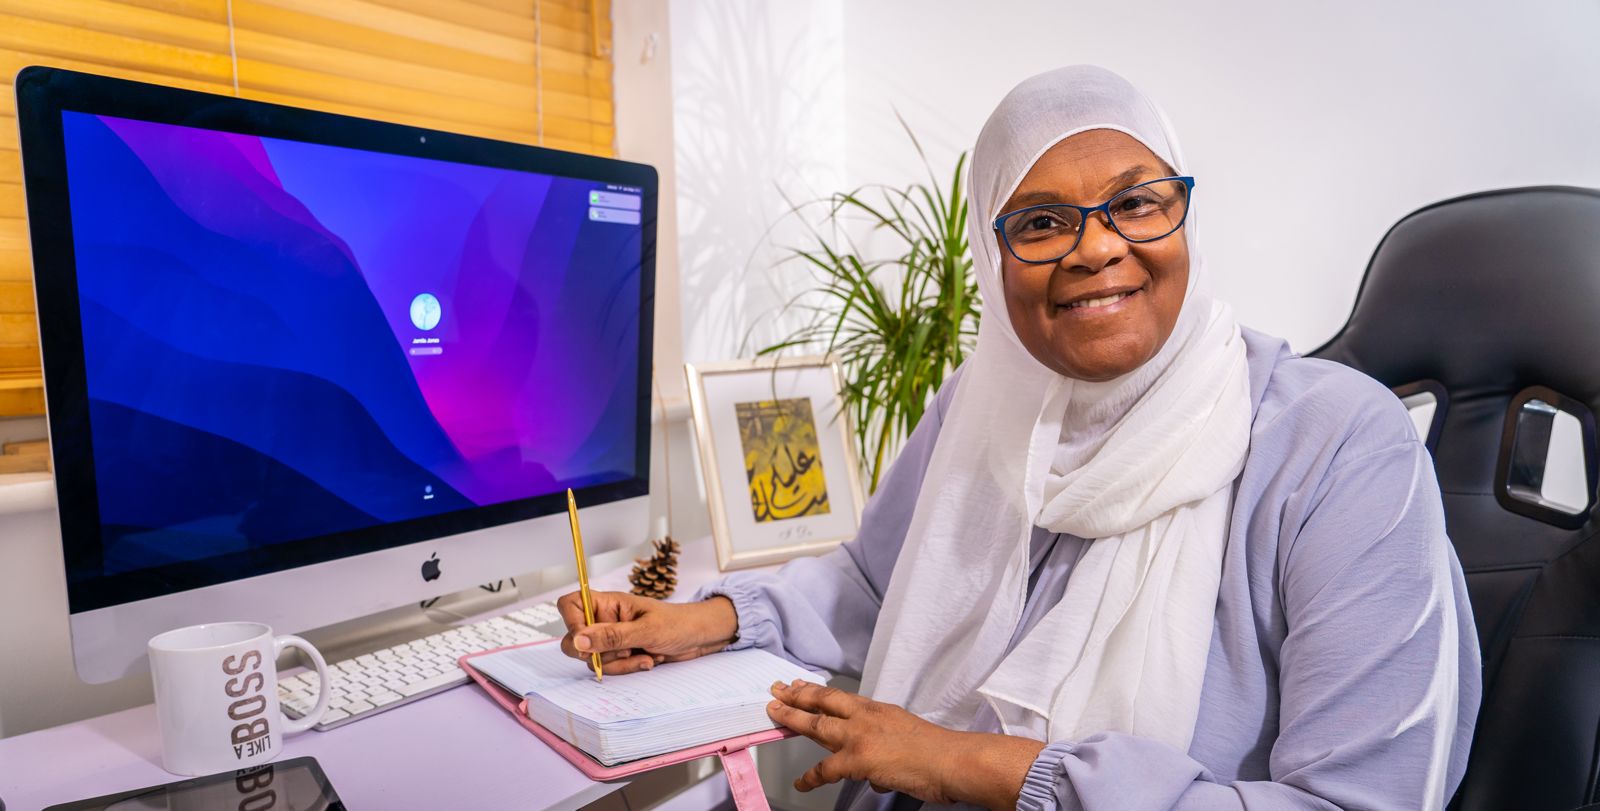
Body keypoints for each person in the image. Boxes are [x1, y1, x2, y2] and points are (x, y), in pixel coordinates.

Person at [558, 65, 1481, 810]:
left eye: (1137, 201)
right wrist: (705, 621)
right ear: (994, 257)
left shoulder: (1336, 448)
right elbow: (870, 584)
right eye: (1040, 222)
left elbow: (1361, 801)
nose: (1094, 247)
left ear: (1183, 213)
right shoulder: (983, 405)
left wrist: (973, 763)